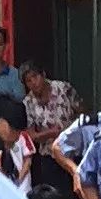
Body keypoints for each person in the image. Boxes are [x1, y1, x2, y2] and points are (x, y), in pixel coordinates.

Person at [20, 60, 79, 192]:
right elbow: (32, 135)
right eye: (28, 81)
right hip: (49, 156)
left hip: (73, 150)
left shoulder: (63, 88)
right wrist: (51, 133)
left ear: (43, 74)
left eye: (35, 77)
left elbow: (81, 112)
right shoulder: (28, 102)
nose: (33, 83)